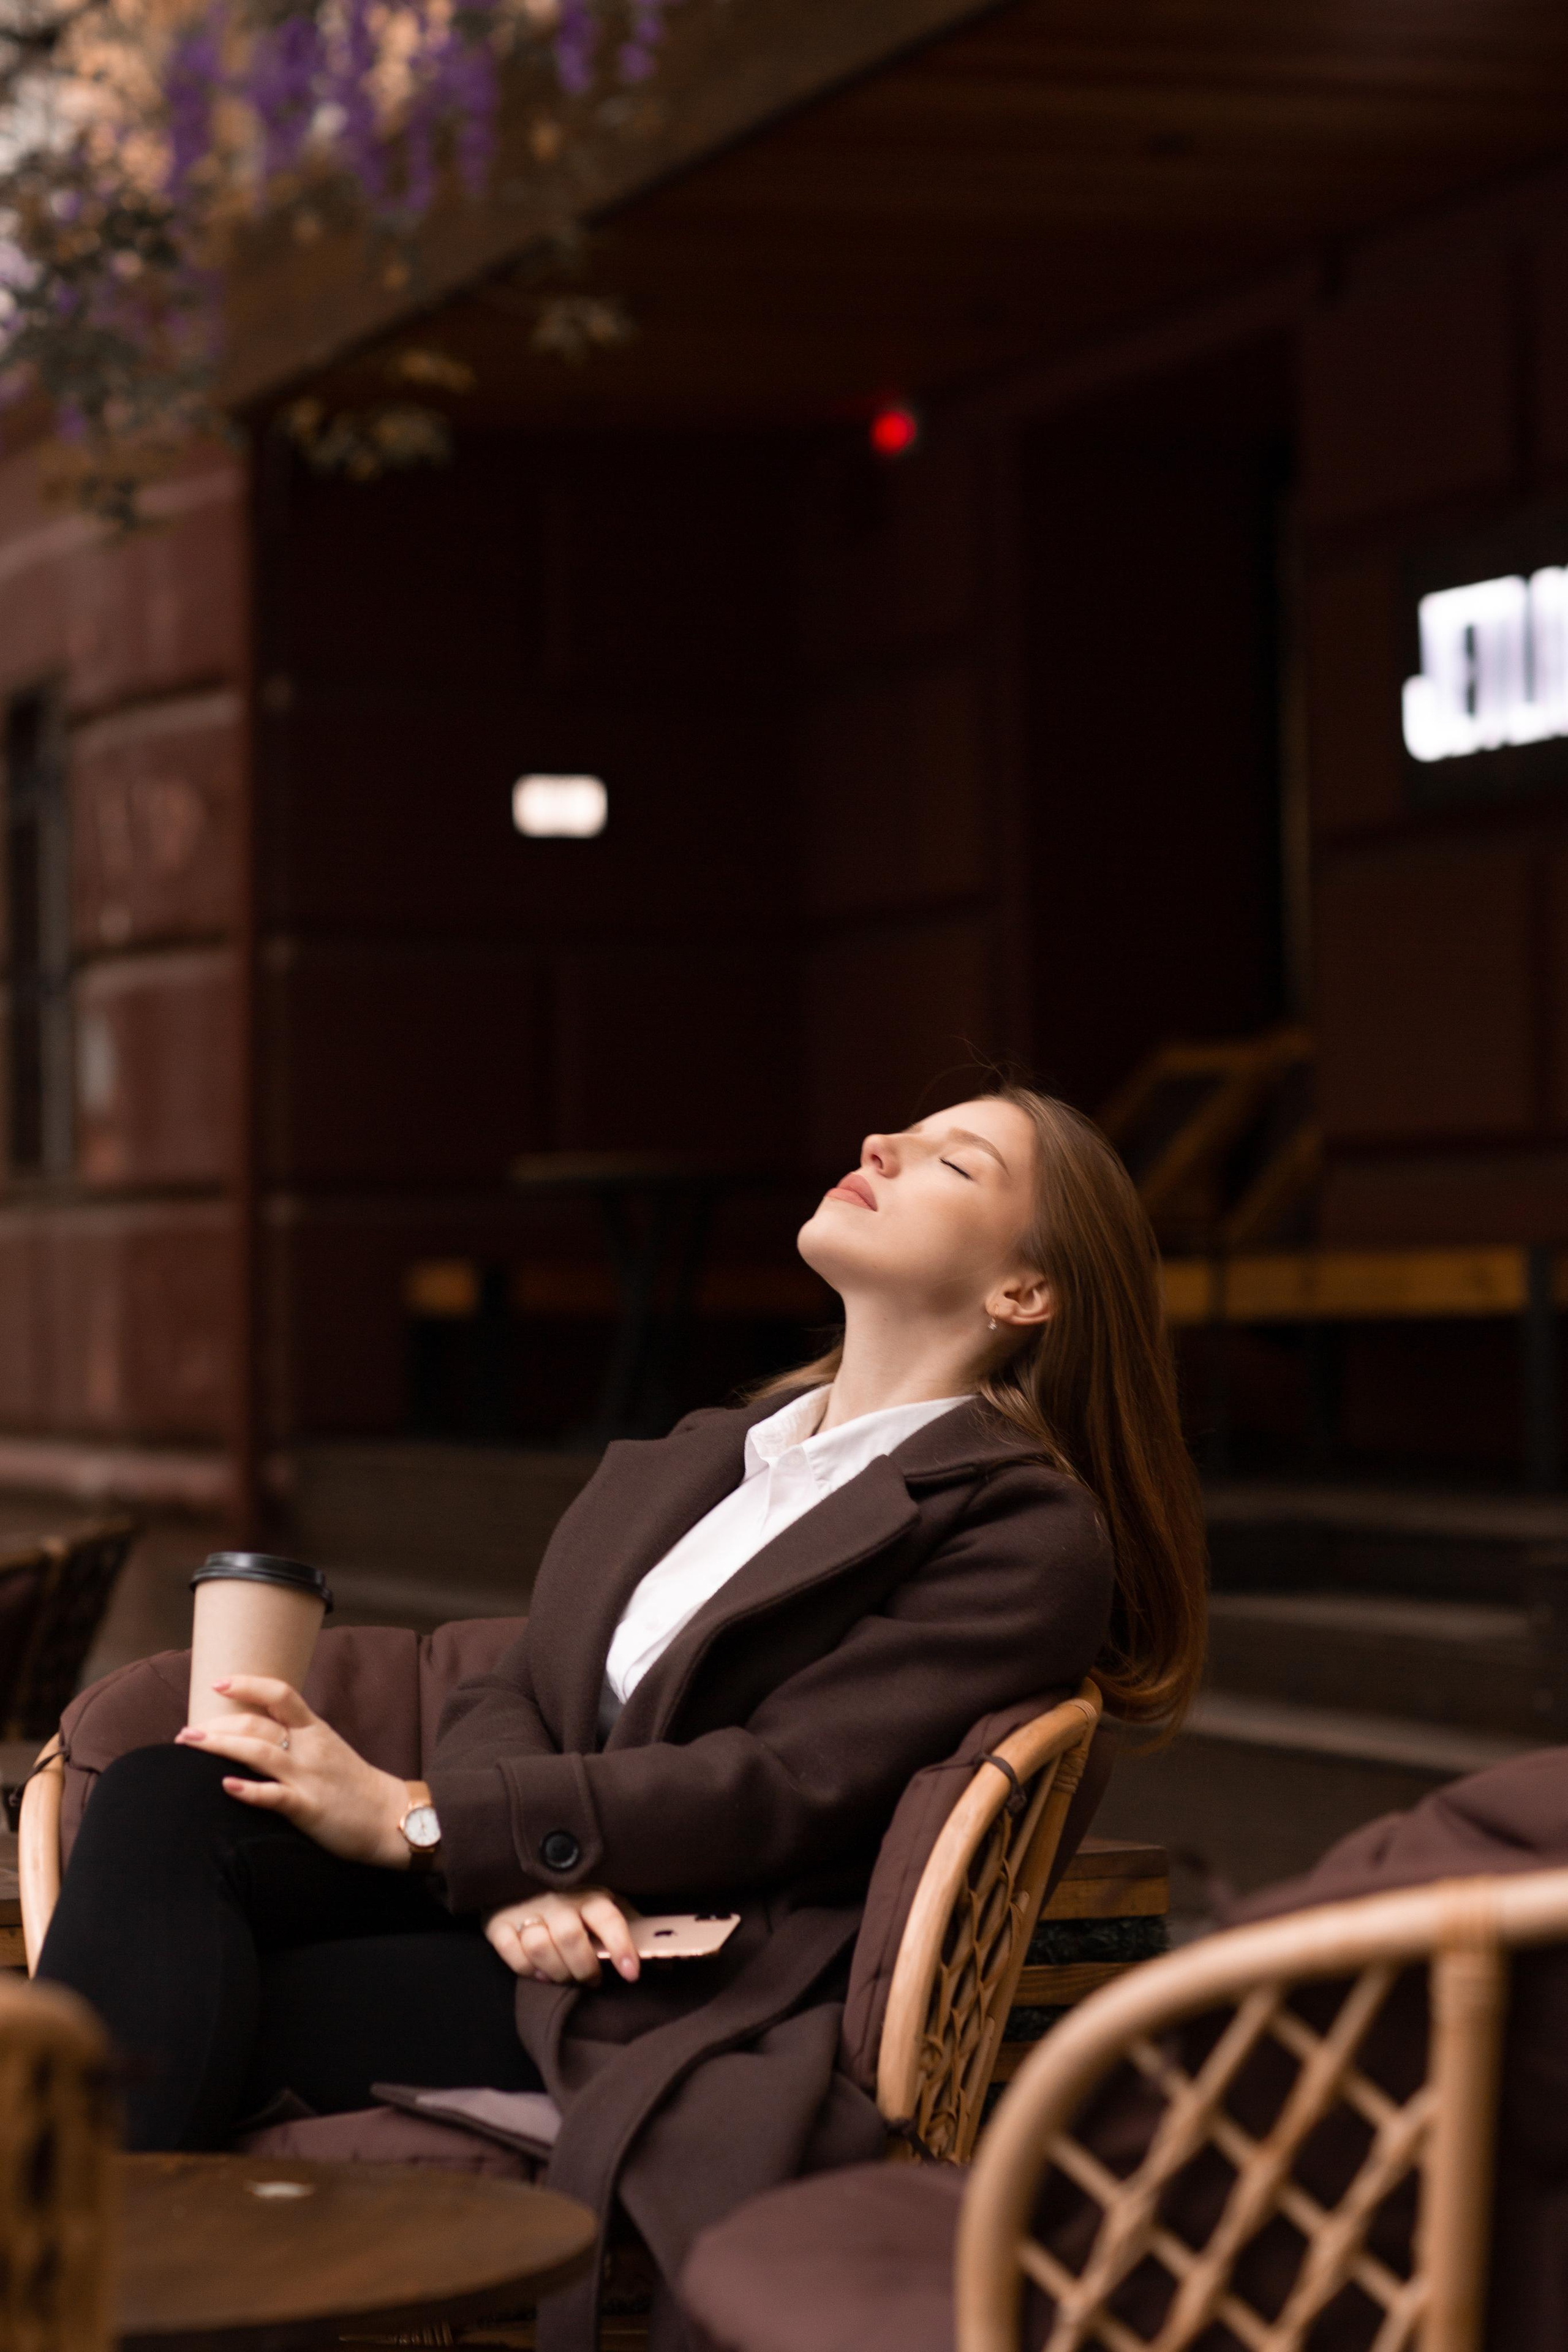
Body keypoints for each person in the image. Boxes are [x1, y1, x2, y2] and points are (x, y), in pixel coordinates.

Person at [39, 1084, 1207, 2351]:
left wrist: (431, 1826)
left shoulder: (1020, 1530)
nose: (880, 1146)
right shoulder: (710, 1456)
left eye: (951, 1162)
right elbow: (514, 1688)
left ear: (1022, 1297)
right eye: (898, 1132)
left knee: (173, 2018)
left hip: (683, 1972)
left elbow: (777, 1787)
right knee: (167, 1792)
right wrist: (495, 1869)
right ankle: (49, 2292)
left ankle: (57, 2295)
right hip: (538, 1912)